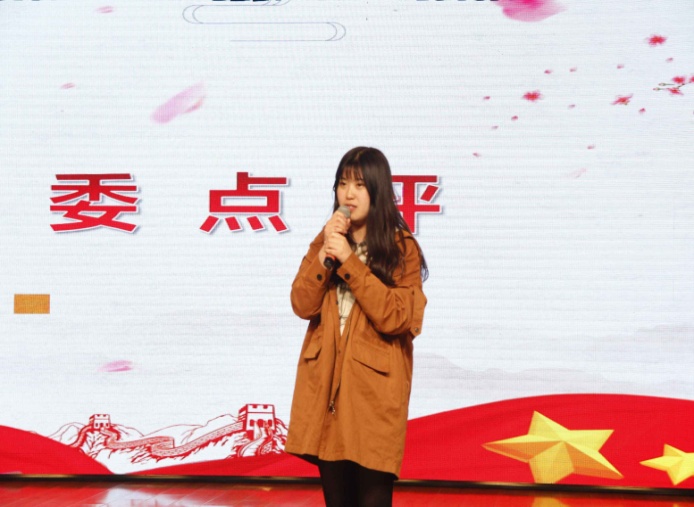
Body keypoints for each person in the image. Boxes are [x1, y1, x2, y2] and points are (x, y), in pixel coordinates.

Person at [285, 147, 428, 507]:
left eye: (360, 185)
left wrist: (349, 261)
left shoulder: (400, 248)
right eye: (342, 183)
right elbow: (302, 304)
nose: (348, 194)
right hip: (327, 392)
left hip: (373, 397)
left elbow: (396, 317)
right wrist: (325, 253)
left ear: (378, 190)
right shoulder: (326, 242)